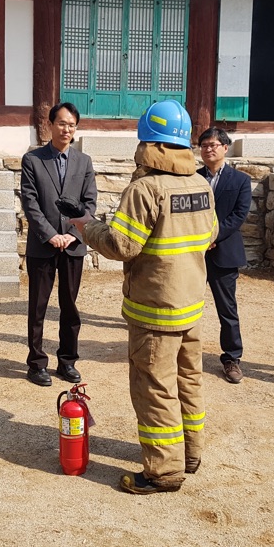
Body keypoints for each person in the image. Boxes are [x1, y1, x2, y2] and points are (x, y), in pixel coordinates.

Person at [71, 100, 217, 495]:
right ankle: (190, 454)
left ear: (148, 143)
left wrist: (86, 225)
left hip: (155, 310)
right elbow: (211, 235)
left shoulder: (145, 189)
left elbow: (122, 245)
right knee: (189, 380)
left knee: (155, 388)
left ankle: (163, 471)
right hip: (190, 306)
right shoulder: (200, 184)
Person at [19, 101, 97, 387]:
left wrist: (73, 234)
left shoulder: (84, 161)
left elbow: (90, 203)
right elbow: (30, 202)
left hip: (73, 245)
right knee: (38, 307)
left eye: (72, 125)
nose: (67, 129)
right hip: (43, 244)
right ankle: (37, 363)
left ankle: (67, 361)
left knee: (70, 306)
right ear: (50, 124)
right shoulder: (33, 160)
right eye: (62, 123)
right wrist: (51, 234)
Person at [197, 127, 252, 384]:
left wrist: (212, 237)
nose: (208, 149)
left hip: (224, 253)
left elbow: (239, 215)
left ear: (225, 148)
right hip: (193, 252)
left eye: (213, 145)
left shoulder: (240, 180)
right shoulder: (192, 177)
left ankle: (232, 358)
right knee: (184, 304)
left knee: (227, 309)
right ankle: (183, 353)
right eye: (204, 145)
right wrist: (199, 239)